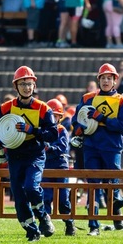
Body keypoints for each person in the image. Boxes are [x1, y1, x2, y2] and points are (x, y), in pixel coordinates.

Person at [0, 66, 58, 241]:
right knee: (18, 195)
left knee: (31, 187)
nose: (27, 87)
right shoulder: (6, 107)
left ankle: (43, 217)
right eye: (22, 84)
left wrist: (32, 130)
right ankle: (31, 230)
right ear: (16, 86)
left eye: (29, 84)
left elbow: (53, 134)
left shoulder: (43, 109)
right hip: (14, 155)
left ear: (34, 86)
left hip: (34, 154)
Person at [71, 63, 123, 235]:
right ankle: (94, 226)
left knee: (112, 183)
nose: (106, 81)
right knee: (93, 185)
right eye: (103, 78)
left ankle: (117, 212)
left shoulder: (122, 101)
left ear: (115, 81)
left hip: (112, 147)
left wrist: (102, 119)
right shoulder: (87, 98)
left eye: (109, 78)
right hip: (91, 147)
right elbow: (76, 119)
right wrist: (79, 128)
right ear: (98, 80)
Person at [42, 98, 75, 236]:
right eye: (51, 115)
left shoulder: (62, 130)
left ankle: (69, 223)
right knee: (46, 196)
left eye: (55, 116)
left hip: (60, 165)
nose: (52, 118)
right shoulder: (42, 130)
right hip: (46, 165)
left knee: (63, 197)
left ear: (60, 117)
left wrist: (50, 148)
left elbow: (62, 147)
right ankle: (45, 224)